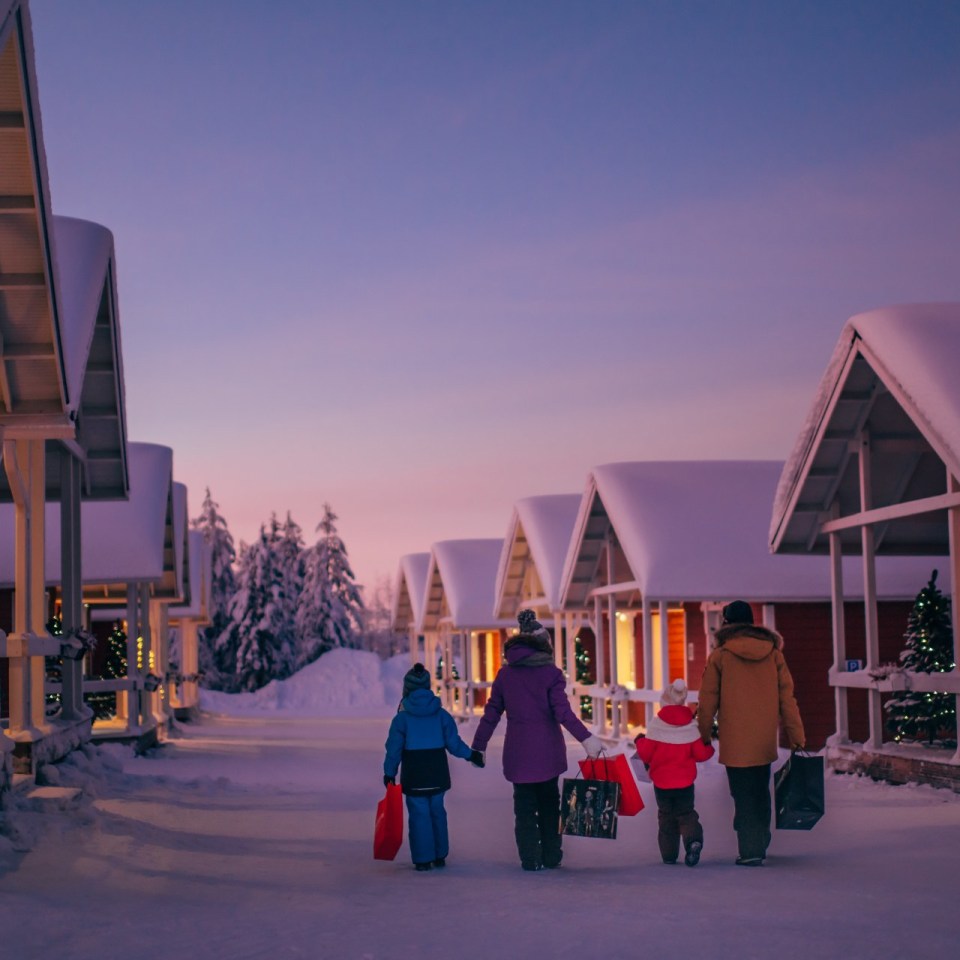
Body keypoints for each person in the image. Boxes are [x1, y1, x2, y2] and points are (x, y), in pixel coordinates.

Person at [471, 609, 603, 871]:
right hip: (547, 754)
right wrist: (586, 738)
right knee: (549, 806)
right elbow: (563, 713)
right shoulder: (551, 674)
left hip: (518, 755)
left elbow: (491, 713)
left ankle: (530, 858)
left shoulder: (505, 675)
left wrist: (479, 746)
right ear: (544, 644)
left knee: (524, 810)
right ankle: (552, 856)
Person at [696, 600, 805, 866]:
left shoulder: (721, 656)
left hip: (735, 742)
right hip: (763, 740)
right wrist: (797, 736)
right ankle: (759, 838)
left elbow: (707, 699)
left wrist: (704, 733)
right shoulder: (773, 654)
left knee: (743, 795)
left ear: (726, 623)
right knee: (759, 792)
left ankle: (750, 848)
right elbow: (787, 699)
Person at [384, 662, 484, 871]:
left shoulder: (401, 719)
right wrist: (471, 755)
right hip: (437, 772)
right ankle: (440, 855)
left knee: (419, 814)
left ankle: (423, 859)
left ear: (407, 689)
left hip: (414, 773)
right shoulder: (441, 715)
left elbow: (394, 749)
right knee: (437, 811)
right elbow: (454, 744)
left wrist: (389, 772)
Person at [635, 678, 714, 866]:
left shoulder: (656, 726)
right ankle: (693, 840)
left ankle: (669, 855)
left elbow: (645, 754)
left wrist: (639, 740)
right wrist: (709, 747)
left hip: (662, 784)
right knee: (686, 813)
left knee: (666, 817)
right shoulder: (690, 726)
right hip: (685, 783)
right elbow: (701, 754)